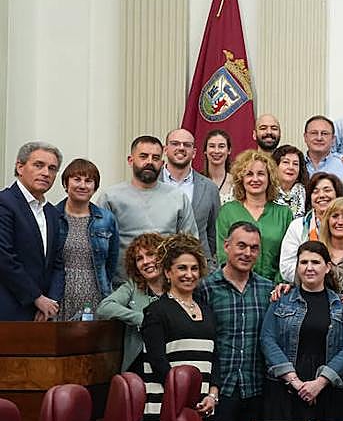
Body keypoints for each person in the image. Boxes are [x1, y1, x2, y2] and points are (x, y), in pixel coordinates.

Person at [141, 235, 218, 421]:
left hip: (201, 409)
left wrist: (212, 395)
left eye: (194, 268)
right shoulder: (156, 311)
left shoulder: (206, 310)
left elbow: (214, 358)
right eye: (182, 268)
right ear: (168, 273)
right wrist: (186, 396)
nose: (189, 274)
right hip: (166, 408)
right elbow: (157, 362)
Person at [261, 240, 343, 421]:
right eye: (304, 262)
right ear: (297, 267)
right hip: (286, 390)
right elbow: (268, 339)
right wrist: (295, 382)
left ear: (328, 267)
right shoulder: (281, 300)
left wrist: (320, 383)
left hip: (330, 392)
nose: (309, 268)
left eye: (315, 262)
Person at [199, 221, 274, 421]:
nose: (247, 253)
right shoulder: (206, 288)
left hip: (256, 389)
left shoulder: (267, 289)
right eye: (241, 245)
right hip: (220, 390)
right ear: (227, 246)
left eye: (253, 248)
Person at [99, 136, 198, 278]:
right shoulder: (111, 198)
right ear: (130, 160)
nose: (150, 162)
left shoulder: (178, 197)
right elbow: (100, 247)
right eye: (143, 156)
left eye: (156, 158)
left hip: (166, 284)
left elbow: (190, 244)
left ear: (162, 163)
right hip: (122, 284)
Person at [0, 141, 65, 321]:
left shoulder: (52, 213)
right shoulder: (4, 203)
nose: (46, 173)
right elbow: (4, 258)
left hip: (42, 314)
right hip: (8, 310)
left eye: (52, 168)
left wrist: (50, 302)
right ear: (20, 167)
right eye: (39, 165)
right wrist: (36, 297)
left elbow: (58, 264)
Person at [53, 158, 119, 320]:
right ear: (65, 183)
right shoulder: (51, 215)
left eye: (89, 181)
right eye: (77, 179)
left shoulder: (107, 219)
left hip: (95, 295)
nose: (82, 185)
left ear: (95, 187)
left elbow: (112, 262)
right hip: (58, 295)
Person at [216, 149, 292, 283]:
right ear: (241, 178)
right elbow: (223, 254)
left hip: (276, 290)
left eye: (261, 174)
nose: (255, 179)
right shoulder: (228, 211)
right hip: (235, 286)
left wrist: (277, 285)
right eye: (249, 174)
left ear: (270, 178)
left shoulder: (284, 213)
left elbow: (288, 256)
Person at [97, 232, 166, 373]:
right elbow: (104, 308)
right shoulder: (132, 287)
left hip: (172, 360)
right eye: (139, 258)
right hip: (139, 364)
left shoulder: (177, 286)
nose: (146, 261)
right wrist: (141, 318)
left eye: (151, 254)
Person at [161, 128, 220, 262]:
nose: (181, 148)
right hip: (159, 266)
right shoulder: (152, 183)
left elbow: (213, 234)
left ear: (194, 153)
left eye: (187, 145)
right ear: (165, 150)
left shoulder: (209, 188)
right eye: (175, 144)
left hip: (198, 269)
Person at [280, 172, 343, 283]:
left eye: (327, 190)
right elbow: (286, 266)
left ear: (337, 195)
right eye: (315, 191)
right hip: (305, 288)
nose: (322, 195)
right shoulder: (298, 226)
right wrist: (315, 279)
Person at [302, 115, 343, 180]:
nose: (319, 138)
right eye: (314, 133)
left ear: (333, 139)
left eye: (324, 133)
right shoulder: (296, 163)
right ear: (305, 137)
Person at [271, 144, 309, 217]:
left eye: (295, 164)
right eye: (286, 162)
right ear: (275, 166)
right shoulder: (266, 192)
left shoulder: (307, 193)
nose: (291, 167)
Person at [201, 128, 235, 204]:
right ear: (205, 151)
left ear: (229, 150)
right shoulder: (196, 182)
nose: (216, 151)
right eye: (212, 146)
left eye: (221, 146)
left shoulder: (237, 183)